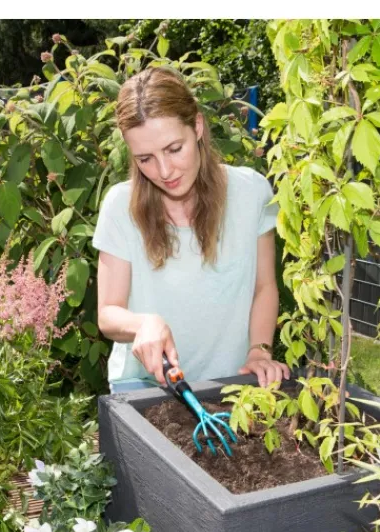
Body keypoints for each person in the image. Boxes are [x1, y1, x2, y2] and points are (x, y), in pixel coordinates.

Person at [92, 67, 290, 394]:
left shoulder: (251, 192)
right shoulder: (119, 206)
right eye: (146, 159)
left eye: (174, 149)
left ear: (197, 127)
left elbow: (264, 286)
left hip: (229, 384)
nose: (165, 171)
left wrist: (259, 351)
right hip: (143, 388)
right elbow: (108, 314)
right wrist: (143, 323)